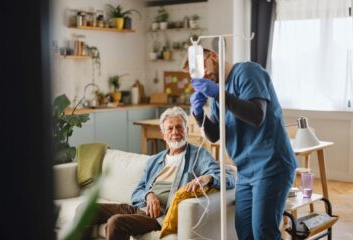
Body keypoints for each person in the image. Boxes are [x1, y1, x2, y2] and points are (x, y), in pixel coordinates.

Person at [183, 49, 297, 240]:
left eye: (203, 68)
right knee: (244, 232)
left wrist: (219, 95)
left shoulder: (247, 71)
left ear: (213, 55)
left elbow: (256, 116)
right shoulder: (218, 94)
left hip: (271, 165)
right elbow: (213, 135)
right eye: (196, 74)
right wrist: (198, 113)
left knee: (263, 232)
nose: (204, 76)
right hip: (245, 171)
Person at [75, 106, 235, 240]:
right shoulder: (155, 160)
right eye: (170, 128)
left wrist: (208, 178)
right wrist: (149, 195)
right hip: (139, 207)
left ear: (186, 130)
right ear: (163, 134)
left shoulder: (199, 155)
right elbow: (137, 192)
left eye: (179, 127)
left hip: (158, 215)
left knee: (116, 222)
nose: (175, 132)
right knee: (85, 209)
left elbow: (229, 178)